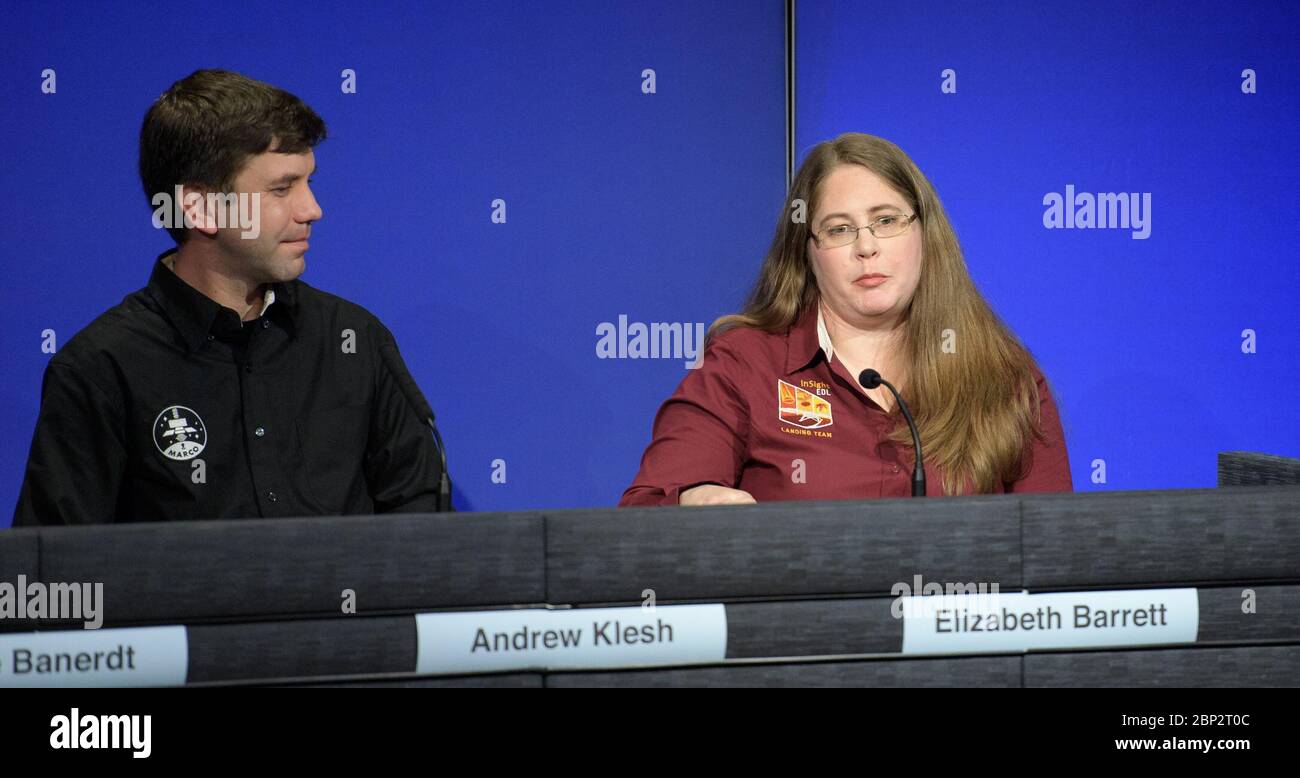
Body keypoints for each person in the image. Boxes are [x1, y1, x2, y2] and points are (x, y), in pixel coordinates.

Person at [13, 69, 446, 525]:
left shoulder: (355, 340)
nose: (312, 210)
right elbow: (54, 576)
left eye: (309, 183)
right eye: (282, 188)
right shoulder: (101, 370)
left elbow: (421, 527)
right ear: (200, 208)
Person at [620, 133, 1072, 506]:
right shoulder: (744, 364)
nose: (866, 246)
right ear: (808, 252)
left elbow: (1053, 549)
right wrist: (695, 499)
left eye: (887, 220)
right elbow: (644, 513)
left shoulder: (1004, 375)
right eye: (839, 229)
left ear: (925, 235)